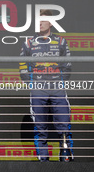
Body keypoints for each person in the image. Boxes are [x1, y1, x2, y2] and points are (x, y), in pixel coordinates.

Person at [19, 9, 73, 162]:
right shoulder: (28, 42)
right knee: (40, 129)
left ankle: (66, 161)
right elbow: (23, 65)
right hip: (38, 90)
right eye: (37, 21)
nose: (40, 24)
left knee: (64, 128)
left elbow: (67, 65)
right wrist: (33, 84)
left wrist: (59, 80)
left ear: (51, 22)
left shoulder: (61, 41)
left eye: (43, 20)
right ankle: (43, 164)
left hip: (58, 89)